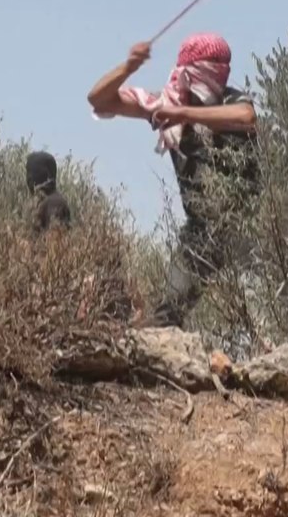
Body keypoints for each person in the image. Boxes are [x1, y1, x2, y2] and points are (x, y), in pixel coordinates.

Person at [87, 33, 258, 327]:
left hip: (251, 230)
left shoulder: (229, 101)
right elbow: (99, 99)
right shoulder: (164, 103)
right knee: (166, 317)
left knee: (273, 313)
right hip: (201, 235)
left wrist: (184, 114)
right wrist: (128, 67)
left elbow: (247, 117)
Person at [26, 151, 72, 233]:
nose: (29, 177)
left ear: (48, 174)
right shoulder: (42, 203)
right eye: (27, 172)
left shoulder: (55, 203)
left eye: (34, 172)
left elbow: (53, 240)